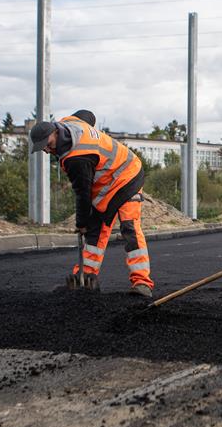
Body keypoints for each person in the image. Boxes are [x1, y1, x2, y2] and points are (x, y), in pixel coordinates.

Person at [29, 111, 154, 297]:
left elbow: (83, 194)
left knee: (129, 227)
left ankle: (142, 283)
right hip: (106, 185)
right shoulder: (69, 122)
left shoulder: (76, 158)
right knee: (95, 232)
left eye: (47, 145)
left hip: (127, 176)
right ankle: (86, 277)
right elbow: (88, 115)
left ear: (55, 132)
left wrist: (81, 224)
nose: (47, 151)